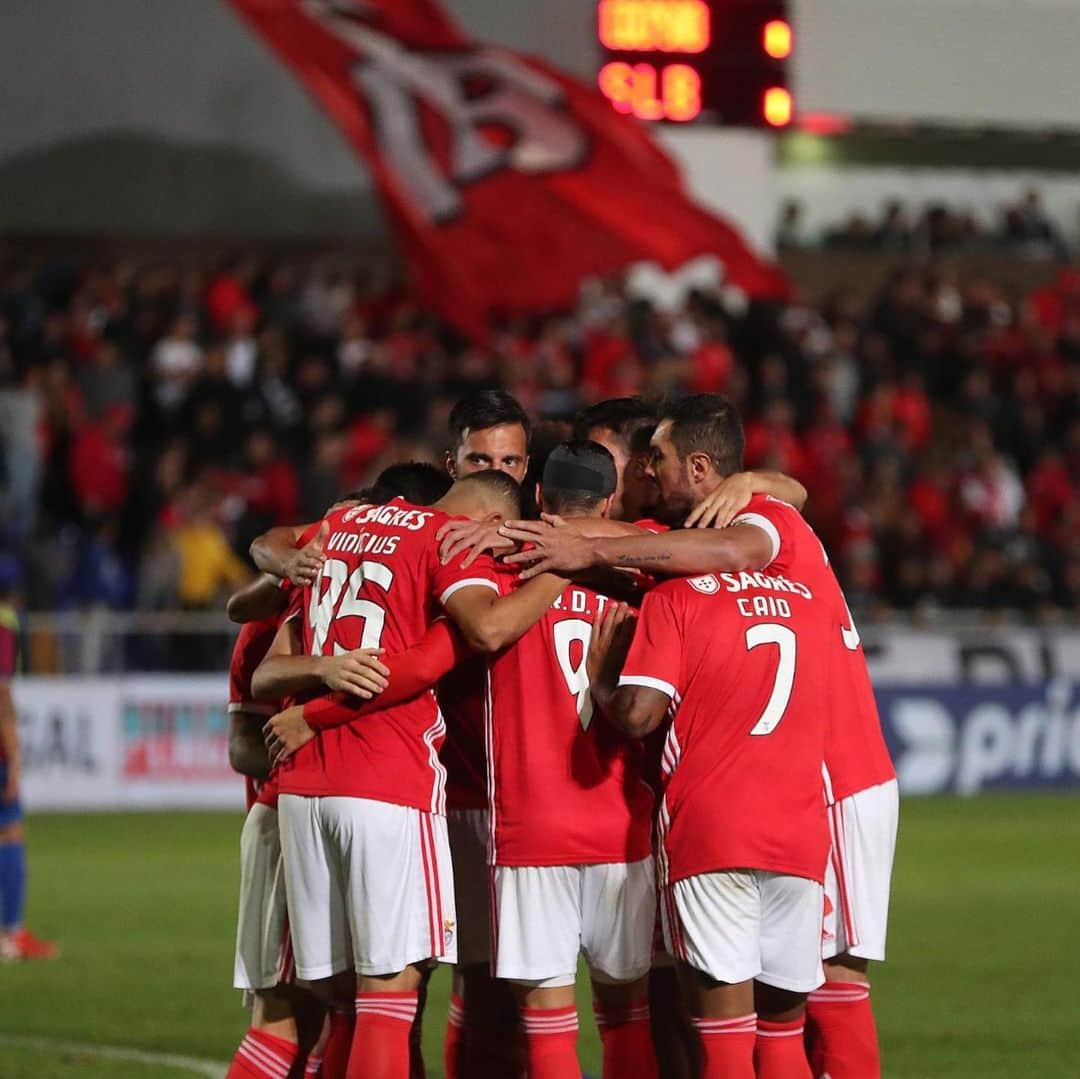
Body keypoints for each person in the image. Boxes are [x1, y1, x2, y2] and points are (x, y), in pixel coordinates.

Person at [503, 394, 896, 1077]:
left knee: (826, 983)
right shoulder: (685, 537)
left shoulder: (757, 521)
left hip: (830, 775)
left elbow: (728, 548)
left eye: (643, 460)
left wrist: (585, 545)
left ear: (700, 465)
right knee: (765, 1005)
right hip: (780, 789)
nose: (637, 476)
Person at [271, 472, 568, 1079]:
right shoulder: (442, 539)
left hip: (304, 789)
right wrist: (565, 568)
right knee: (388, 995)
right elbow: (481, 629)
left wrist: (309, 710)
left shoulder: (343, 521)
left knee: (346, 1000)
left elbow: (269, 584)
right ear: (487, 516)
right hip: (387, 781)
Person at [485, 440, 658, 1079]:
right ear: (610, 501)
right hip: (618, 825)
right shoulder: (642, 575)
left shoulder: (500, 565)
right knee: (626, 1016)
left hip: (532, 828)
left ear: (537, 497)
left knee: (549, 1030)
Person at [0, 560, 59, 961]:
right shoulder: (5, 622)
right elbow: (1, 693)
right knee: (10, 832)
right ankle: (11, 933)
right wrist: (15, 759)